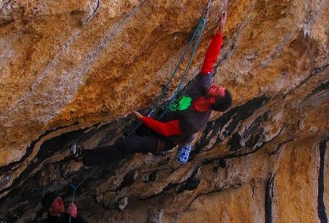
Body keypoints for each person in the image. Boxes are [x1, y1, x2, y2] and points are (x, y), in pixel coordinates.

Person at [74, 12, 233, 166]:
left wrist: (142, 118)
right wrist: (220, 31)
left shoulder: (194, 122)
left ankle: (85, 157)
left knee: (129, 144)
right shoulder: (203, 85)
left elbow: (165, 130)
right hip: (163, 117)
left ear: (212, 99)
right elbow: (210, 61)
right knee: (133, 134)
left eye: (216, 89)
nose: (213, 85)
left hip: (164, 140)